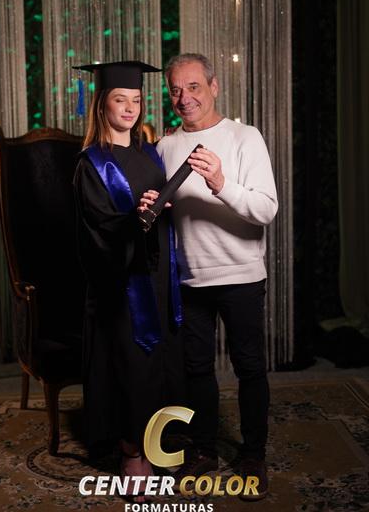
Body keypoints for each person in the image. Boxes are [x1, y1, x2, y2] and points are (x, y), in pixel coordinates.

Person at [142, 53, 278, 500]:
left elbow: (266, 210)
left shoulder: (245, 137)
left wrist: (221, 184)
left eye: (194, 87)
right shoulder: (165, 147)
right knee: (196, 369)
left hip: (241, 275)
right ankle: (203, 450)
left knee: (249, 367)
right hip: (190, 279)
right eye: (176, 90)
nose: (185, 98)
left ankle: (253, 454)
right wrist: (151, 205)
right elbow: (162, 214)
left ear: (214, 87)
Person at [72, 61, 183, 500]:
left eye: (136, 100)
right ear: (102, 104)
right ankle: (131, 451)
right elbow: (97, 226)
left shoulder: (149, 152)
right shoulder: (91, 163)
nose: (130, 108)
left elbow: (162, 204)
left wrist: (161, 206)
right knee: (130, 364)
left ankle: (156, 442)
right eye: (120, 100)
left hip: (158, 272)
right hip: (121, 281)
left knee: (160, 361)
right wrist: (135, 217)